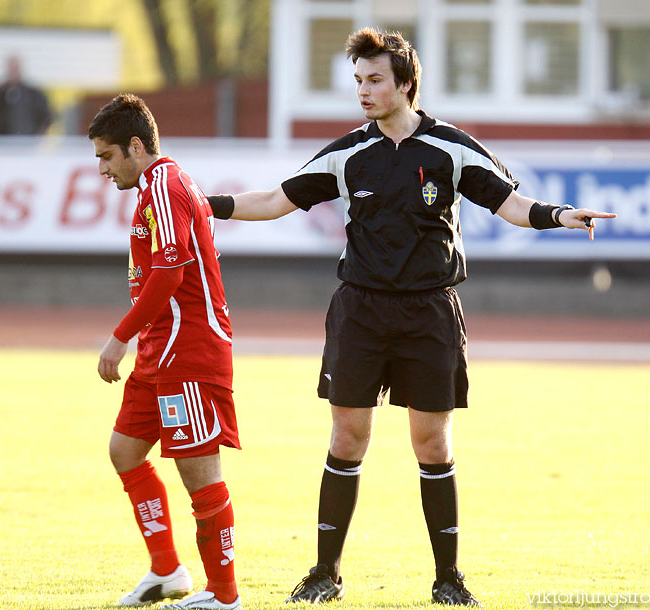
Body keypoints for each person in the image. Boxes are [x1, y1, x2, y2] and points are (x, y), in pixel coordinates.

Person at [208, 29, 616, 606]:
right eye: (358, 81)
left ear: (405, 83)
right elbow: (276, 200)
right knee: (348, 437)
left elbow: (510, 205)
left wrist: (558, 215)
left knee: (431, 443)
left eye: (375, 80)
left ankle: (448, 580)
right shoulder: (348, 153)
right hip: (361, 311)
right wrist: (205, 204)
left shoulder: (450, 148)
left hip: (430, 312)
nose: (364, 92)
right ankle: (325, 574)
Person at [89, 94, 241, 610]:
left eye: (107, 157)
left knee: (200, 474)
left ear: (136, 146)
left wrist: (120, 335)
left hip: (189, 352)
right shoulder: (152, 189)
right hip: (161, 351)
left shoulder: (165, 186)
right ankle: (167, 570)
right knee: (124, 451)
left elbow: (170, 273)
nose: (103, 170)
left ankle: (224, 596)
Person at [0, 55, 52, 135]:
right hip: (1, 143)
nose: (13, 71)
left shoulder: (33, 94)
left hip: (26, 142)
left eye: (15, 68)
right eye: (11, 68)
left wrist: (38, 135)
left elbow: (47, 117)